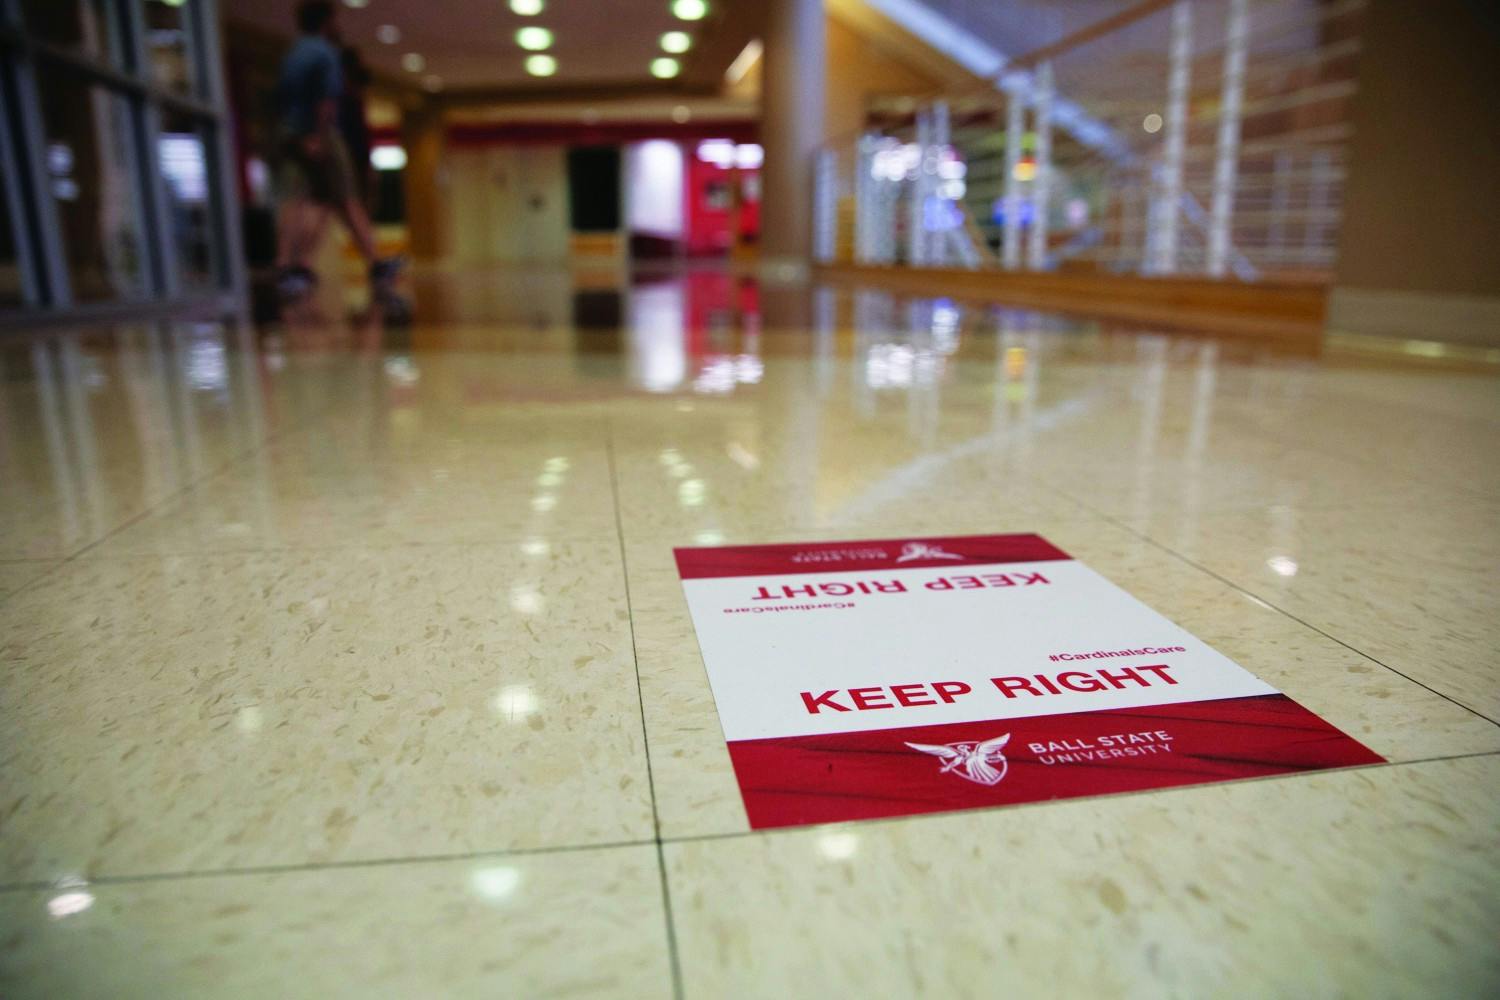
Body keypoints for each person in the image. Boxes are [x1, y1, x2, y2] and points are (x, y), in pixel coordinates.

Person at [273, 1, 401, 300]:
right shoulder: (325, 53)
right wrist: (318, 136)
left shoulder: (291, 54)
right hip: (320, 133)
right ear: (327, 21)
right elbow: (326, 101)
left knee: (302, 199)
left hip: (289, 133)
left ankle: (287, 264)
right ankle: (376, 263)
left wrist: (297, 134)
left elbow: (281, 97)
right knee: (346, 198)